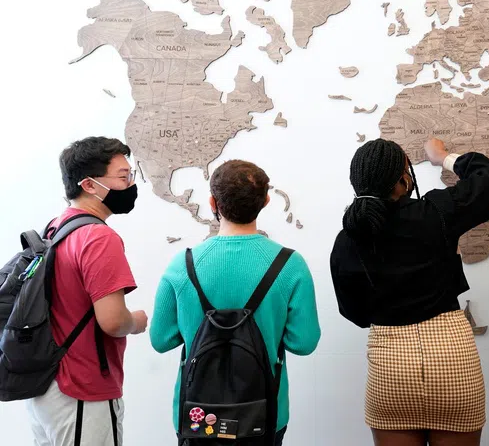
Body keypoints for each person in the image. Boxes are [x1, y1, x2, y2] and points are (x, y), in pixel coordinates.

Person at [330, 138, 489, 446]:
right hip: (452, 365)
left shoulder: (347, 240)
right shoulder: (437, 211)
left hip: (390, 371)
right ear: (403, 179)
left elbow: (354, 314)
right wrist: (444, 158)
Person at [150, 160, 320, 446]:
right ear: (266, 201)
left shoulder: (183, 265)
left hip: (197, 415)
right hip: (264, 413)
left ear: (212, 202)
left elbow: (161, 339)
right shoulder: (290, 265)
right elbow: (304, 342)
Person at [25, 136, 148, 446]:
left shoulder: (55, 227)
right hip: (82, 389)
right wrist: (137, 321)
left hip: (46, 386)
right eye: (123, 177)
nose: (131, 184)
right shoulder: (98, 238)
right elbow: (113, 321)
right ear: (90, 185)